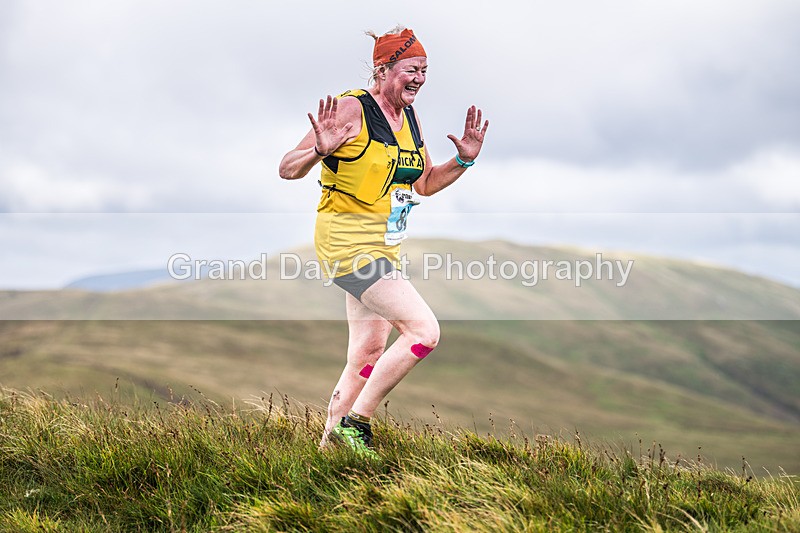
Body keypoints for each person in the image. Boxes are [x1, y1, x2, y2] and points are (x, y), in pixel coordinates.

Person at [279, 26, 488, 457]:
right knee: (423, 331)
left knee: (367, 354)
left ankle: (327, 454)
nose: (419, 79)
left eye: (425, 71)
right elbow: (286, 167)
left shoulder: (409, 118)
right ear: (383, 69)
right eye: (411, 69)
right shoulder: (351, 108)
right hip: (347, 246)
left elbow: (426, 182)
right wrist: (319, 151)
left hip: (382, 248)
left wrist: (464, 159)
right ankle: (355, 425)